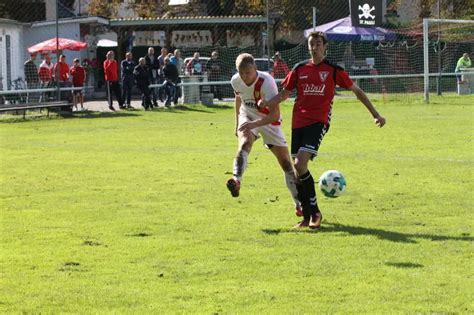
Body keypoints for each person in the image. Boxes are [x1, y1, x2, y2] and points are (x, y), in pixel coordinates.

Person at [263, 31, 386, 229]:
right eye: (311, 44)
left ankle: (315, 214)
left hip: (318, 121)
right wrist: (266, 103)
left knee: (300, 163)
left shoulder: (333, 70)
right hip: (298, 122)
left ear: (325, 47)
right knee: (297, 171)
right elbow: (285, 94)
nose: (314, 47)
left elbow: (357, 91)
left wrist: (375, 114)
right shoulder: (299, 68)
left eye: (318, 44)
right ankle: (306, 217)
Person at [226, 53, 302, 216]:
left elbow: (274, 115)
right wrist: (237, 123)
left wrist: (254, 124)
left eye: (248, 72)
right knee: (245, 143)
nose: (245, 76)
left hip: (269, 121)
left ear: (255, 69)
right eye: (241, 73)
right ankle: (236, 179)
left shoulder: (267, 83)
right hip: (248, 115)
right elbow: (238, 98)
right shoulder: (235, 80)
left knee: (286, 163)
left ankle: (299, 204)